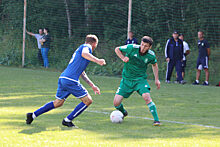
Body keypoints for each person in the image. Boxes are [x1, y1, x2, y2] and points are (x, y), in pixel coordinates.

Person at [26, 34, 106, 127]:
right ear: (94, 44)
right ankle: (67, 120)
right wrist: (97, 60)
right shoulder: (86, 47)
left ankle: (32, 115)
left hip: (63, 78)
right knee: (88, 100)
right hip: (70, 80)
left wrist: (92, 85)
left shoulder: (80, 52)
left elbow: (81, 72)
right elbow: (85, 53)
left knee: (58, 103)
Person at [114, 36, 161, 126]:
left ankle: (156, 120)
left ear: (150, 47)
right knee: (116, 103)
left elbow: (154, 65)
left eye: (146, 46)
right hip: (126, 80)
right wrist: (123, 58)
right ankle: (124, 112)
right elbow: (117, 49)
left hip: (140, 80)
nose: (143, 48)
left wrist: (157, 79)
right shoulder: (131, 47)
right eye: (142, 45)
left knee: (147, 97)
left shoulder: (151, 55)